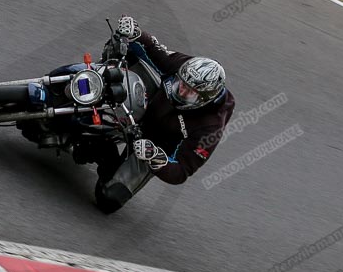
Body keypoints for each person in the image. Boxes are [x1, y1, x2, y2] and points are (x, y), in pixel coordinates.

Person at [78, 15, 235, 214]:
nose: (182, 92)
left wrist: (157, 158)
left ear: (206, 97)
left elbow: (182, 170)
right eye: (181, 84)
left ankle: (105, 153)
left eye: (191, 93)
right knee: (125, 46)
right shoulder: (187, 67)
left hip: (154, 144)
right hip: (152, 104)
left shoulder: (210, 126)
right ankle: (88, 85)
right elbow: (157, 51)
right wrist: (136, 33)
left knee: (109, 199)